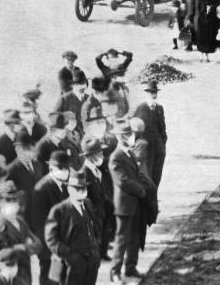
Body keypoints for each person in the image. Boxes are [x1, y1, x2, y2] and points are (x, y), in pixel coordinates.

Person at [44, 169, 101, 285]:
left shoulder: (88, 203)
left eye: (83, 188)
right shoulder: (59, 210)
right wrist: (69, 255)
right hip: (72, 263)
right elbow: (51, 239)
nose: (81, 191)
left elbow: (94, 227)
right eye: (77, 188)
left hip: (91, 260)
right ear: (69, 189)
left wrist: (96, 247)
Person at [107, 121, 147, 283]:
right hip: (124, 204)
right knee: (122, 239)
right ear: (121, 137)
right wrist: (141, 190)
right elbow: (122, 181)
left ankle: (130, 267)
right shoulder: (116, 156)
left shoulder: (129, 153)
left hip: (134, 202)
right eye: (129, 135)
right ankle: (115, 272)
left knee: (134, 237)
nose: (133, 137)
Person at [0, 183, 43, 284]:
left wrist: (22, 247)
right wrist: (20, 248)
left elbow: (38, 245)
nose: (14, 203)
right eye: (8, 201)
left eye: (15, 199)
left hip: (26, 271)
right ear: (0, 204)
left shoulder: (20, 221)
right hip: (8, 272)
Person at [30, 152, 69, 285]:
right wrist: (52, 248)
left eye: (66, 168)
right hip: (50, 246)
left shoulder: (65, 186)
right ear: (51, 168)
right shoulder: (41, 188)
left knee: (64, 278)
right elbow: (39, 223)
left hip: (64, 242)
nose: (65, 171)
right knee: (49, 279)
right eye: (61, 168)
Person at [131, 82, 166, 189]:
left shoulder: (159, 108)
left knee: (157, 174)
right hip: (147, 149)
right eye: (151, 93)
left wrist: (162, 144)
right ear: (147, 94)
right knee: (147, 174)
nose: (153, 95)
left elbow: (163, 129)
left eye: (155, 92)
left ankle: (154, 194)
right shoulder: (141, 108)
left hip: (159, 149)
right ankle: (148, 198)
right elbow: (135, 129)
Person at [5, 135, 45, 227]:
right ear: (18, 150)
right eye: (28, 150)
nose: (32, 154)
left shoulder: (38, 165)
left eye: (33, 150)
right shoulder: (11, 170)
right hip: (25, 214)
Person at [54, 73, 90, 140]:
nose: (82, 86)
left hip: (87, 136)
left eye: (84, 83)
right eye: (79, 84)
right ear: (73, 85)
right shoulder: (64, 99)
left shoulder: (89, 99)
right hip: (70, 137)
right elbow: (55, 118)